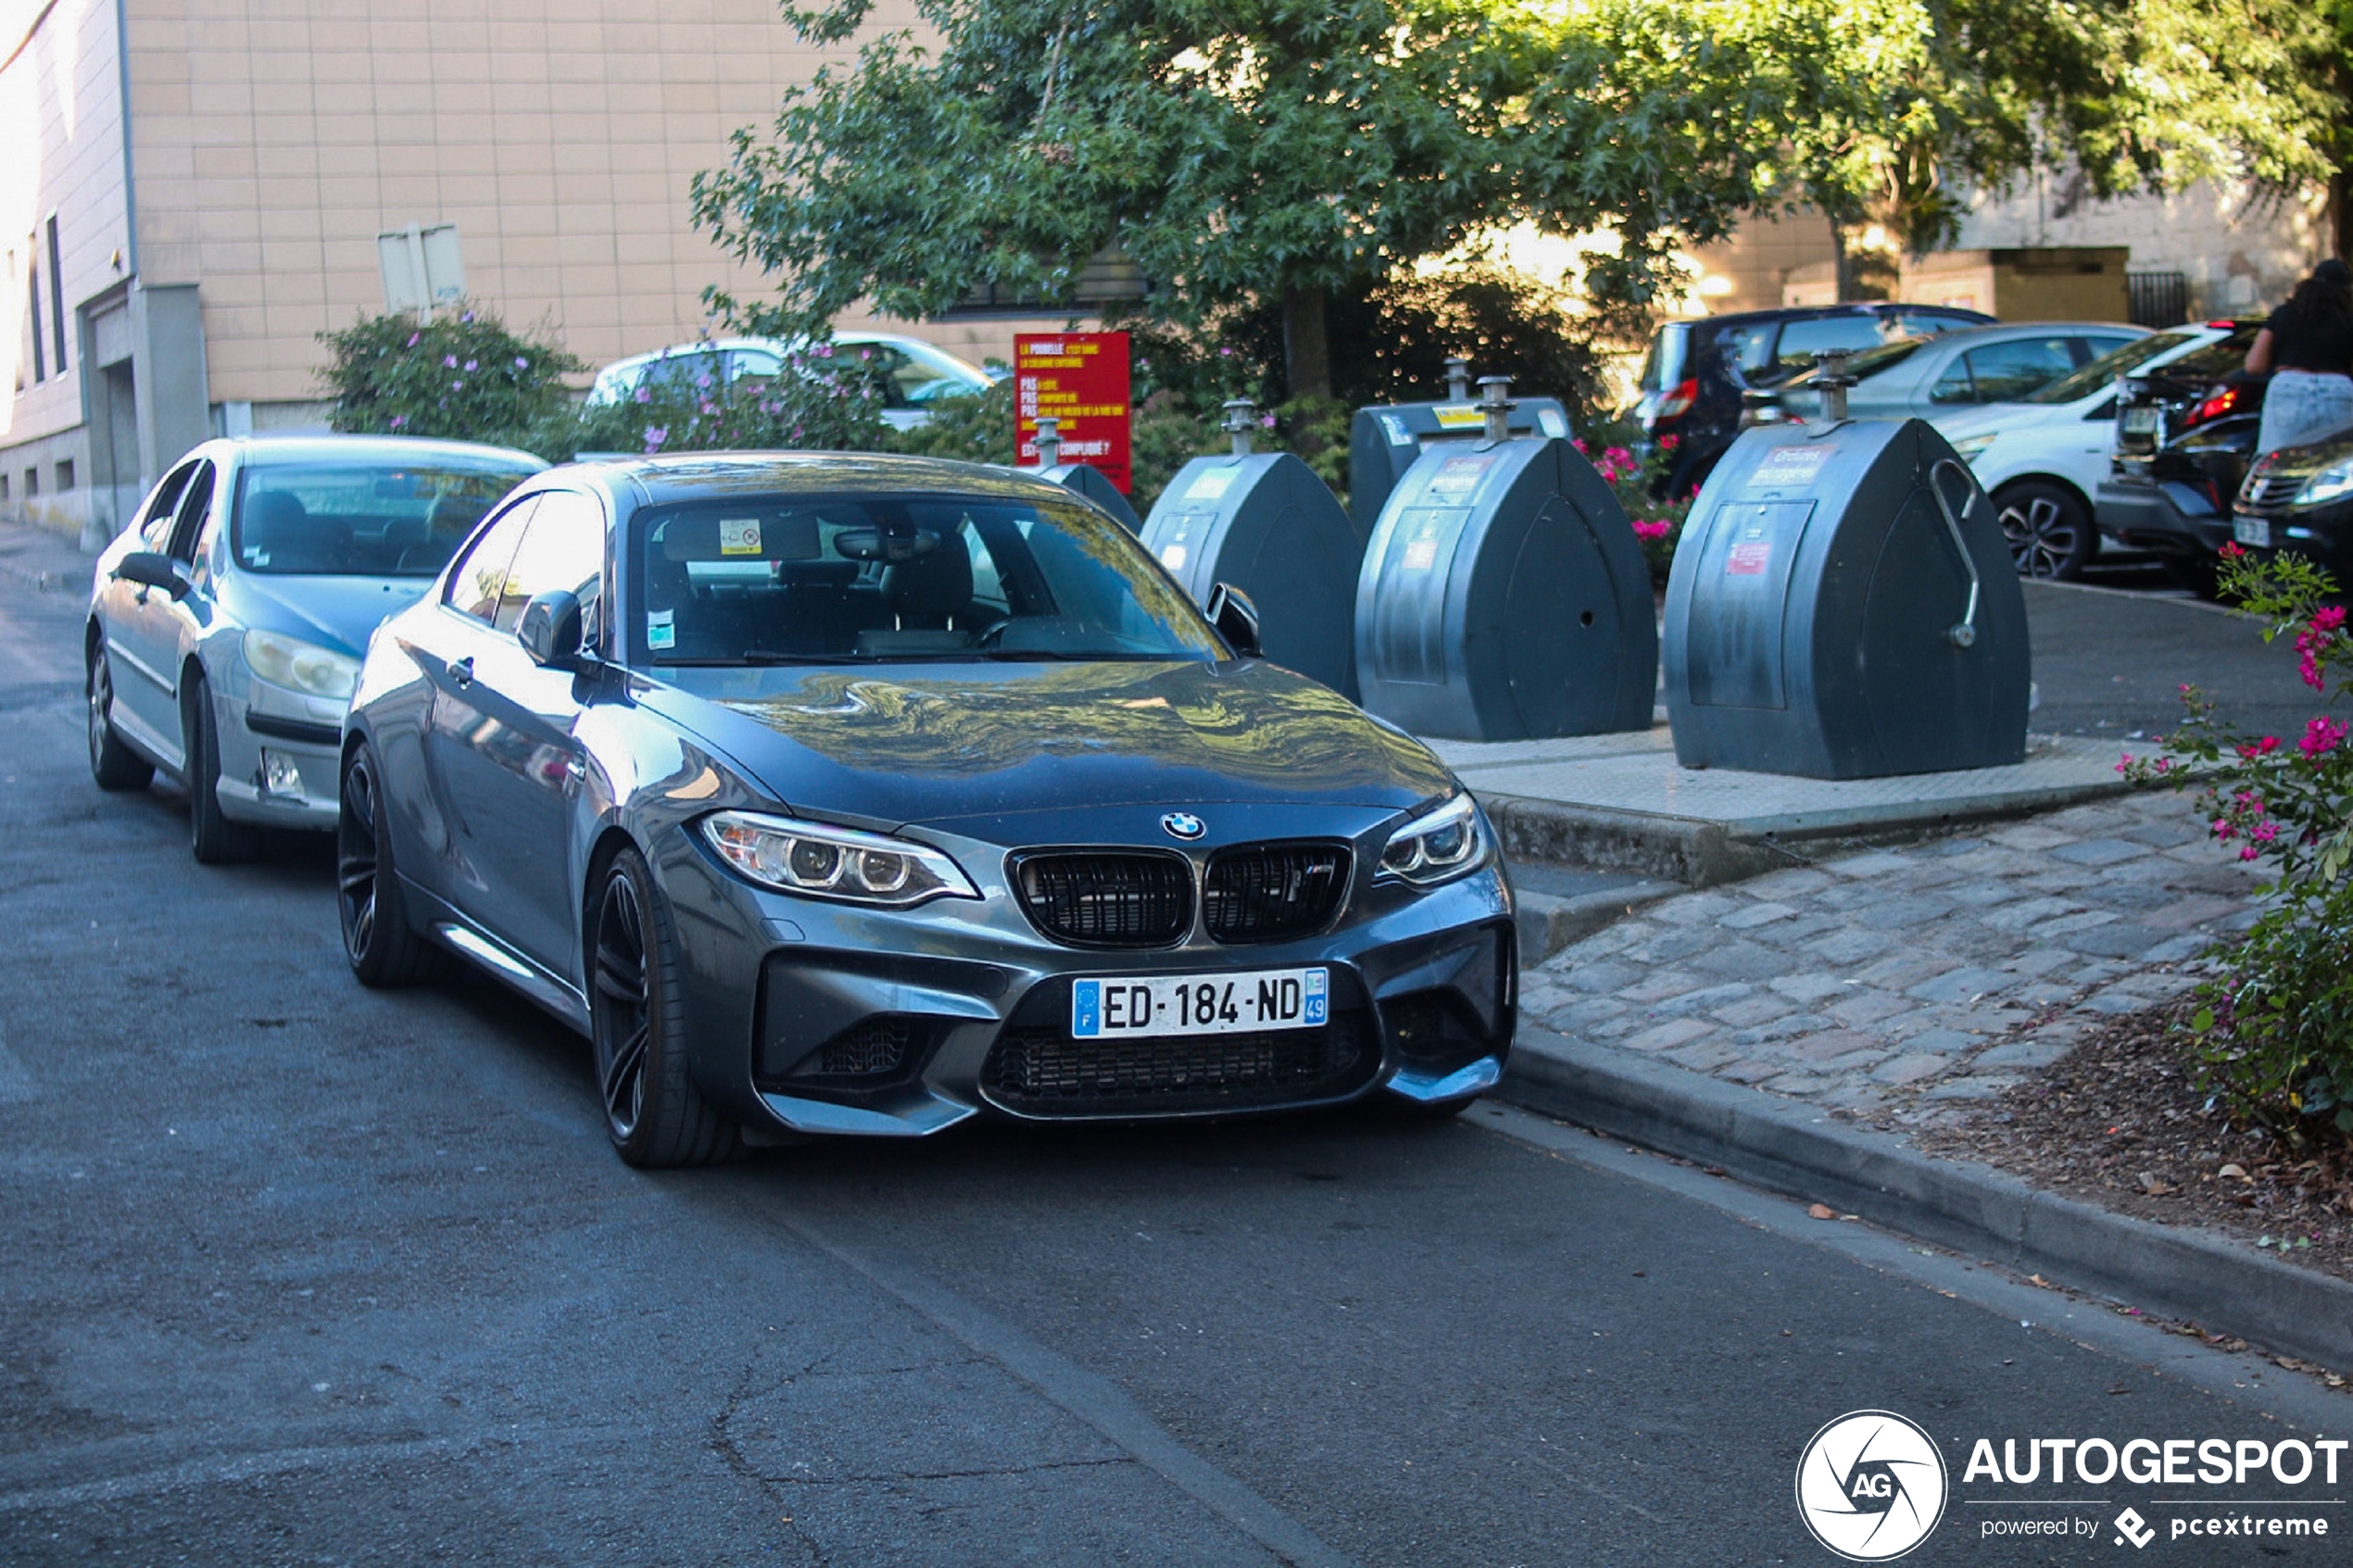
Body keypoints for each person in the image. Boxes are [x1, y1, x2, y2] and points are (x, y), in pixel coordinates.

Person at [2246, 257, 2353, 456]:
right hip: (2338, 389)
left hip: (2289, 387)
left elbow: (2254, 365)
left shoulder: (2284, 314)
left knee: (2274, 462)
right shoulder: (2347, 317)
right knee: (2335, 466)